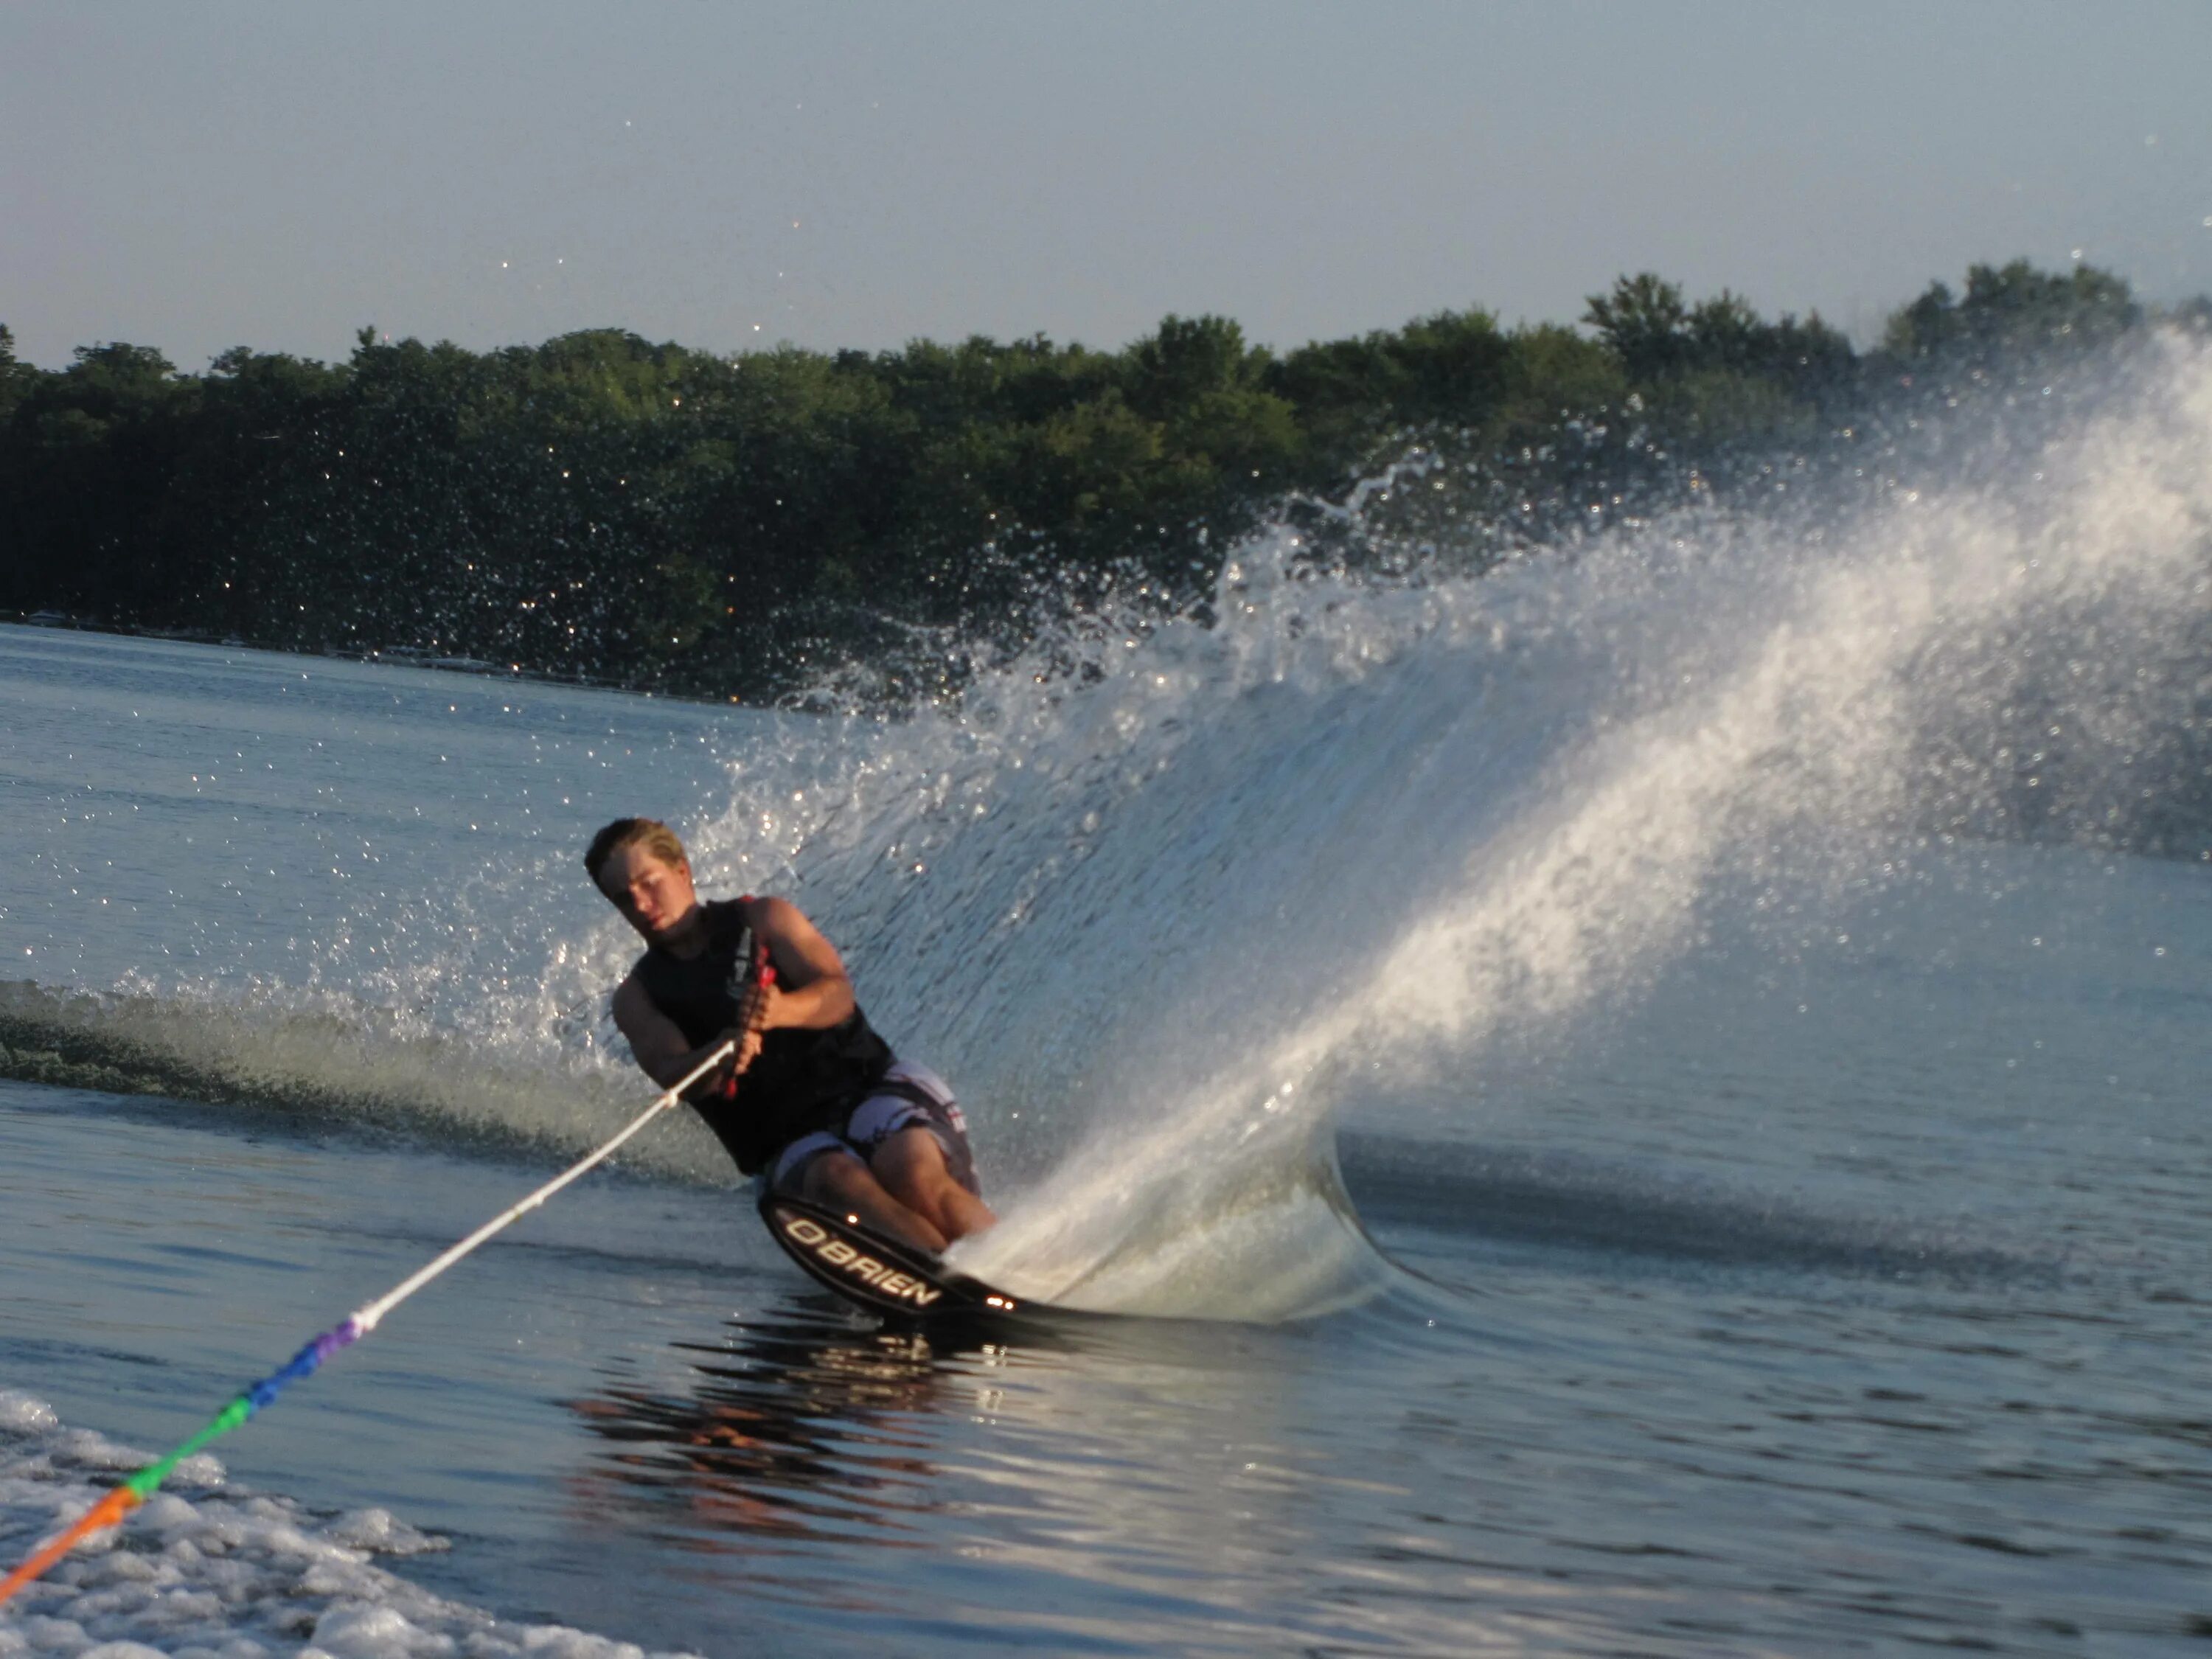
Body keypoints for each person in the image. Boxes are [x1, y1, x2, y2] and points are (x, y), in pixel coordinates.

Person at [585, 817, 994, 1255]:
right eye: (624, 899)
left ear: (682, 871)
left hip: (870, 1088)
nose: (642, 905)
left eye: (649, 883)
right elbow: (671, 1071)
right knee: (837, 1179)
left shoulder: (765, 919)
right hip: (787, 1142)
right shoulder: (637, 997)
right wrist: (718, 1057)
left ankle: (1013, 1266)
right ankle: (948, 1276)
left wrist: (782, 1010)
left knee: (910, 1173)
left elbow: (836, 992)